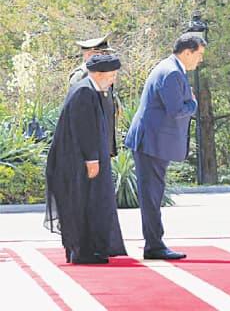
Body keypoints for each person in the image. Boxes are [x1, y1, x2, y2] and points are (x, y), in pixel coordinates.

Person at [124, 34, 206, 260]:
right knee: (151, 195)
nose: (200, 61)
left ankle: (154, 243)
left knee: (153, 194)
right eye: (199, 55)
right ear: (187, 52)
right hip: (151, 142)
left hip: (152, 141)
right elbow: (176, 109)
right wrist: (193, 103)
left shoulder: (170, 68)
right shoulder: (171, 73)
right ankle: (154, 245)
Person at [45, 54, 126, 265]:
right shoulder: (84, 92)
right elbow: (85, 130)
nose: (113, 79)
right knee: (82, 204)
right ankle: (83, 252)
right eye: (111, 75)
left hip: (80, 161)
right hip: (77, 163)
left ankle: (89, 249)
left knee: (89, 203)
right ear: (99, 74)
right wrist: (92, 160)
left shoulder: (90, 90)